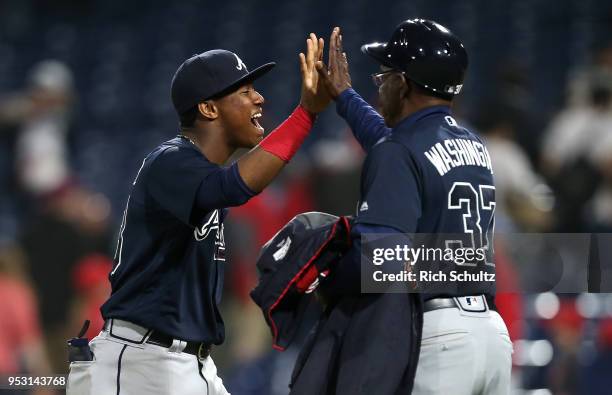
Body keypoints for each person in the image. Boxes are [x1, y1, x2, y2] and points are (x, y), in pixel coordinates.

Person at [66, 34, 329, 395]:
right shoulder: (170, 161)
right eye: (245, 90)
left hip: (191, 363)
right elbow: (234, 187)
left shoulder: (201, 173)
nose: (259, 98)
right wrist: (306, 115)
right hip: (142, 362)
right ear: (209, 109)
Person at [316, 20, 512, 394]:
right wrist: (345, 97)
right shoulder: (474, 145)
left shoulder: (400, 151)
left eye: (385, 75)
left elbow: (382, 258)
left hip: (440, 338)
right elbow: (392, 143)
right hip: (492, 337)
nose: (380, 85)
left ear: (403, 83)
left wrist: (327, 275)